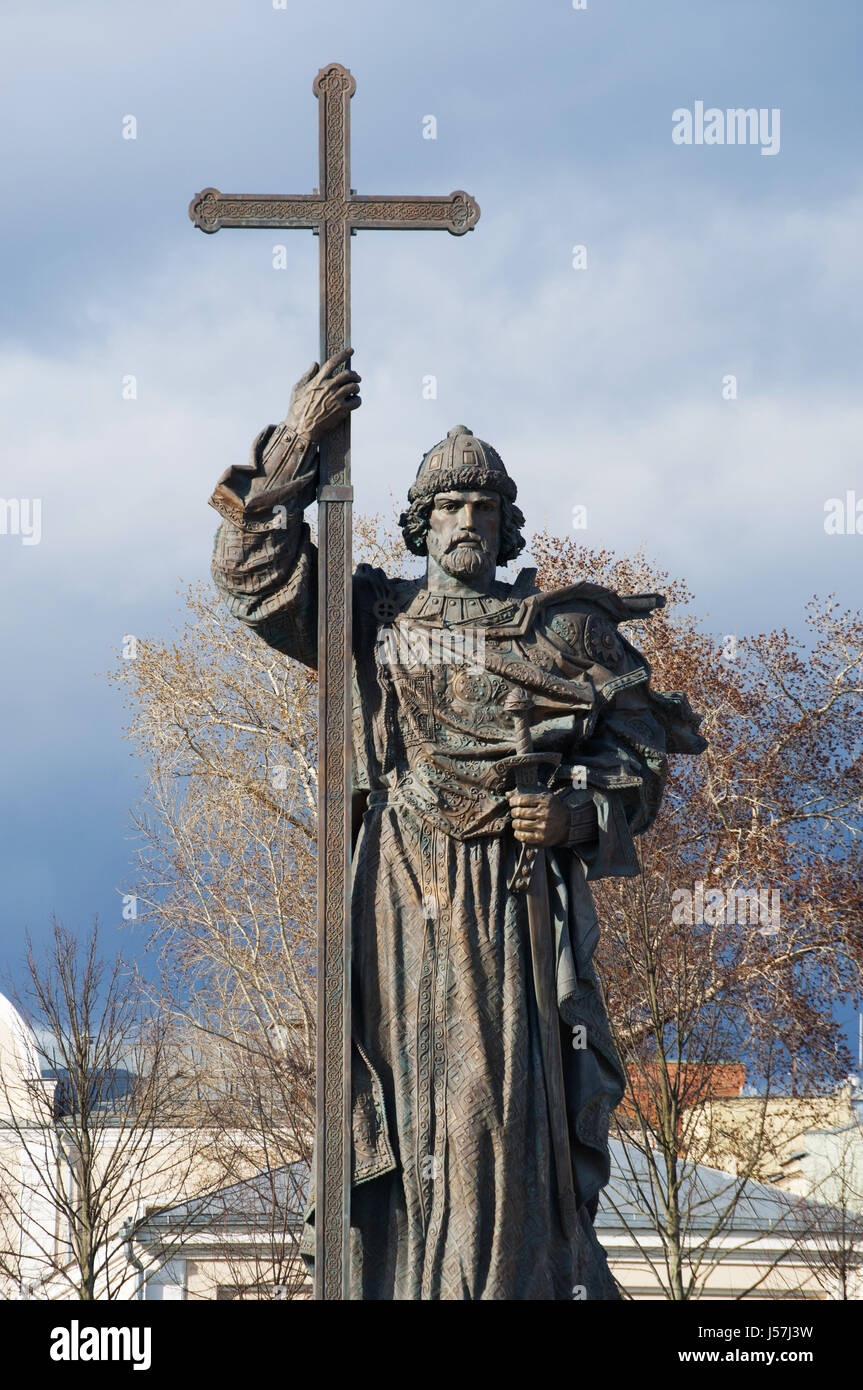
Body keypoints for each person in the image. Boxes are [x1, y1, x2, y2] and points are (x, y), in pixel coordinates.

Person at [208, 350, 706, 1299]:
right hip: (401, 889)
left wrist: (570, 814)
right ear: (419, 523)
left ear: (506, 522)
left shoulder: (557, 631)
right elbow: (255, 579)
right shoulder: (375, 618)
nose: (467, 522)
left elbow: (640, 756)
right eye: (448, 507)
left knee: (495, 1106)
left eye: (483, 507)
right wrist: (291, 455)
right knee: (403, 1097)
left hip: (508, 899)